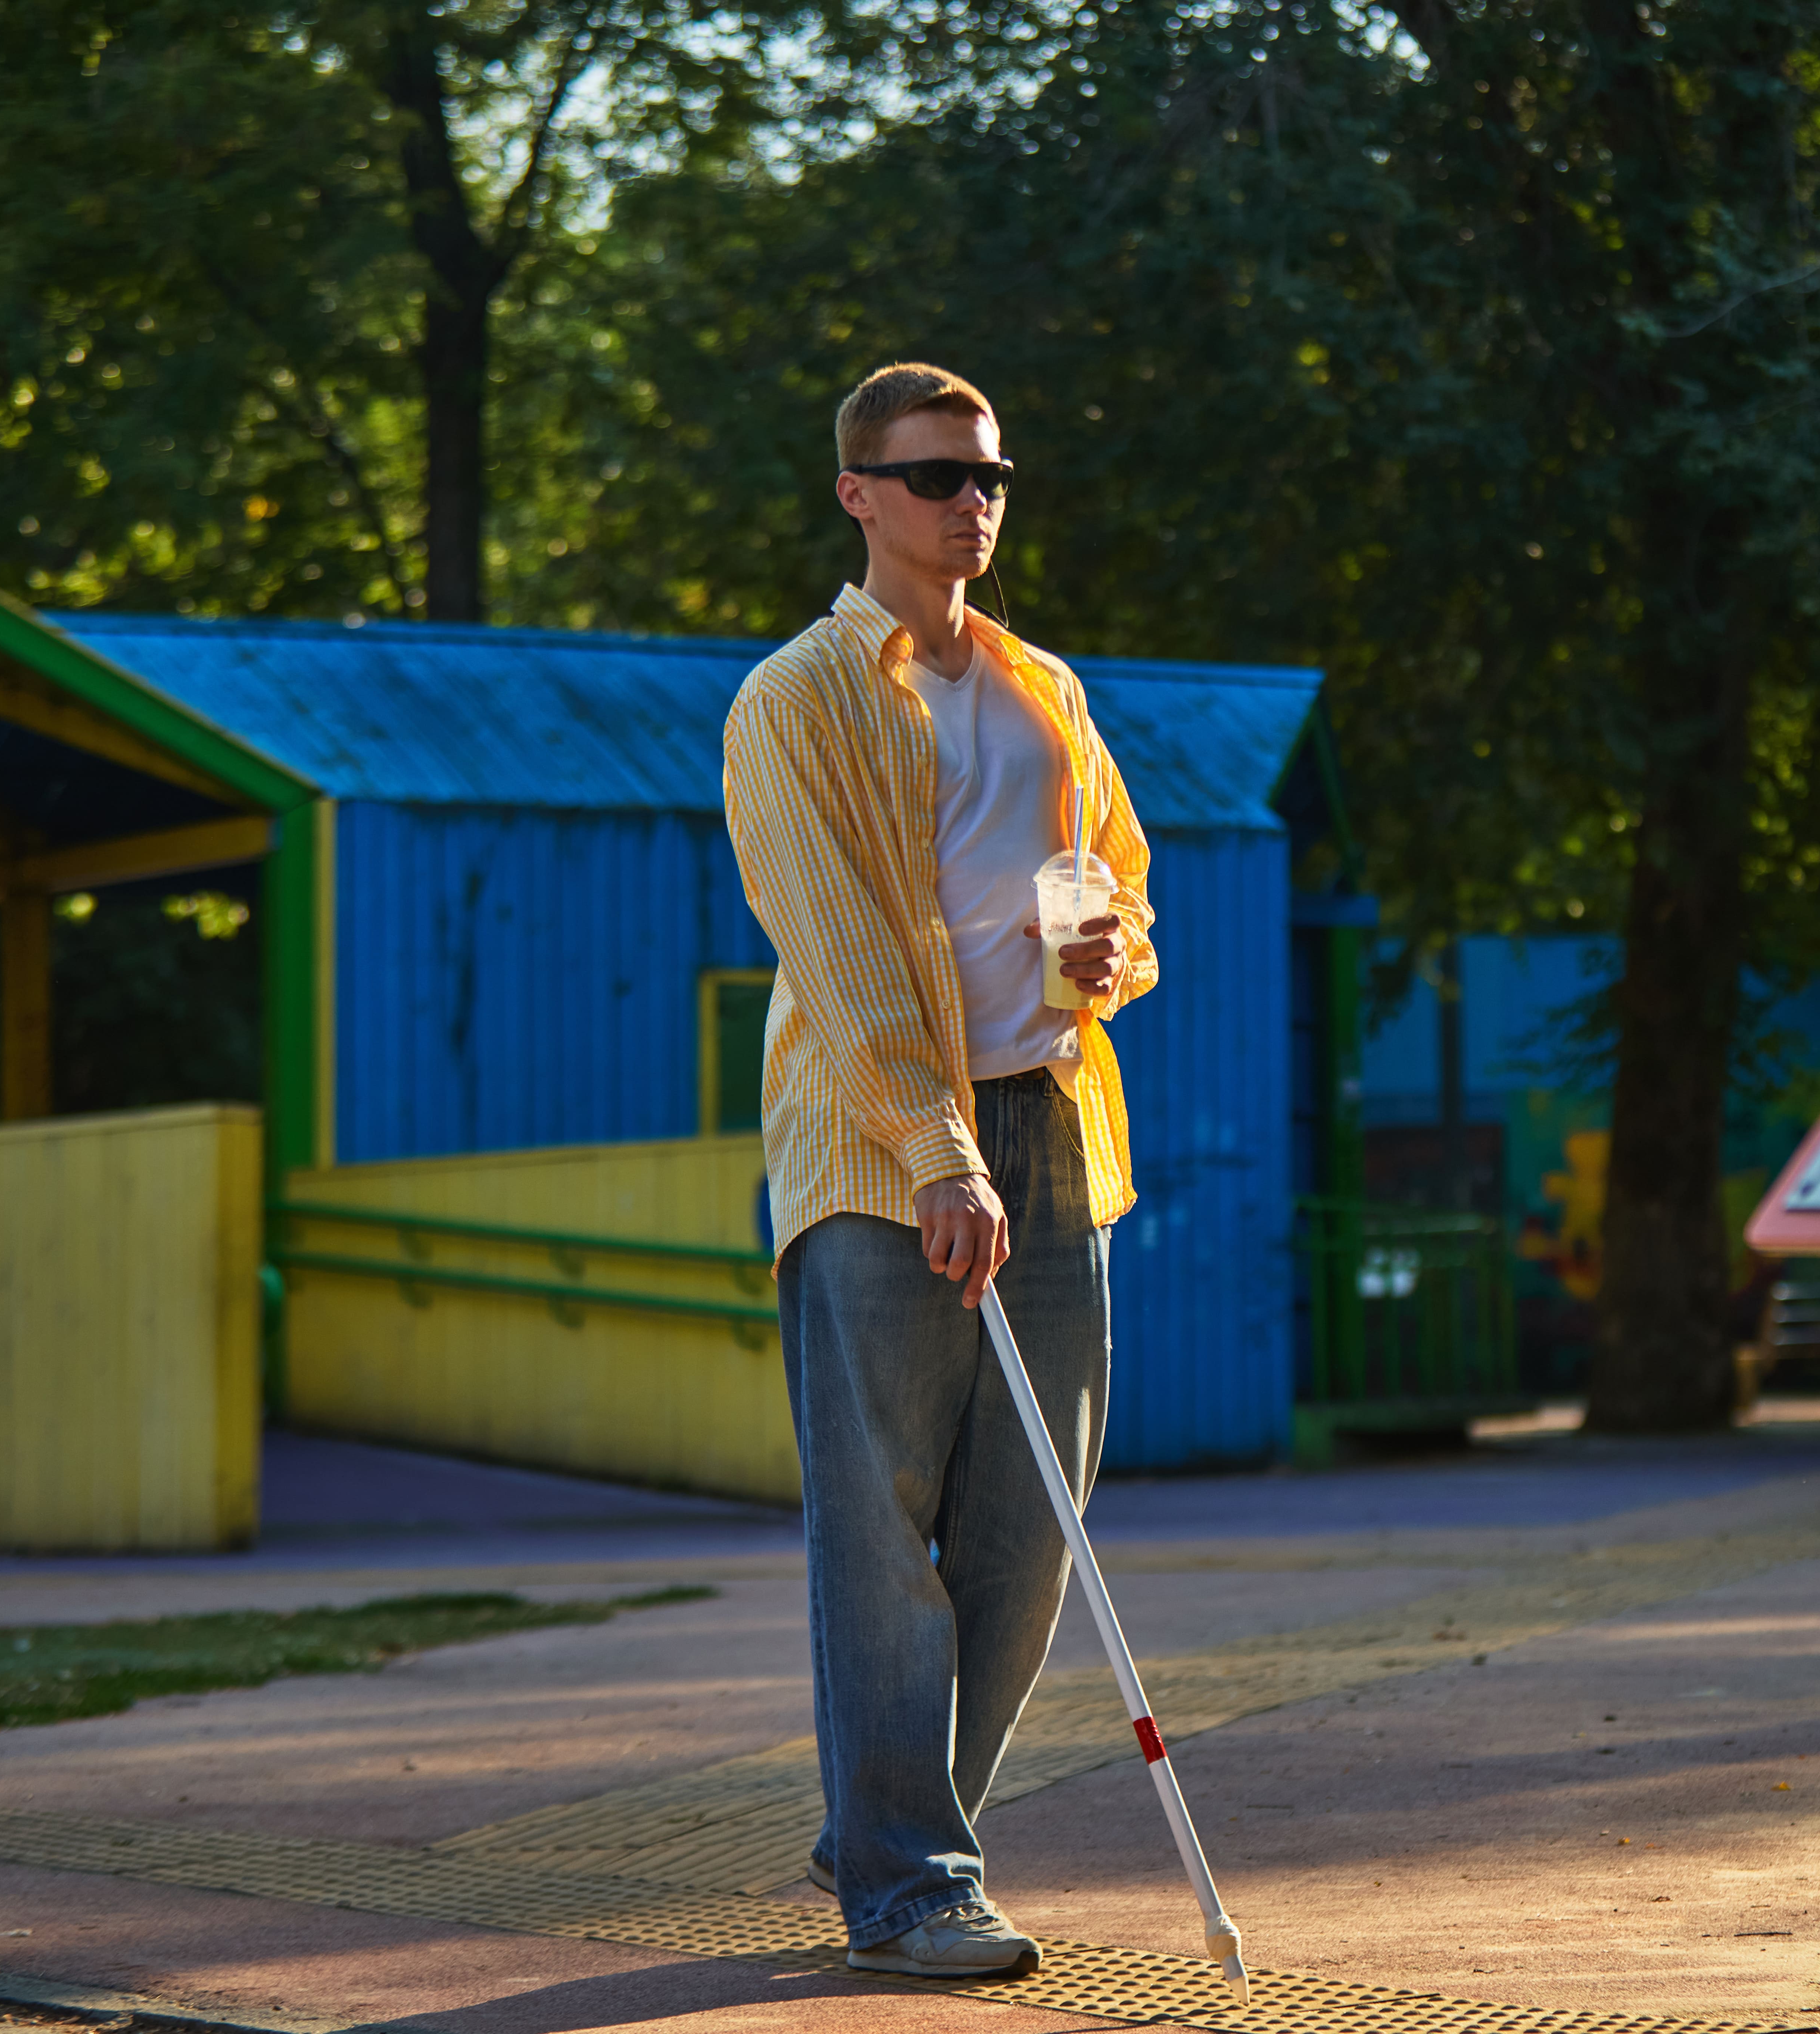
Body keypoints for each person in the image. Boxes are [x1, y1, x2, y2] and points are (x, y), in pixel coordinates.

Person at [722, 362, 1157, 1979]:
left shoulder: (1045, 686)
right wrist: (934, 1155)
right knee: (880, 1520)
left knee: (1031, 1521)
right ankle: (908, 1884)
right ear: (857, 495)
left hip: (1048, 1119)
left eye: (989, 476)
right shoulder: (797, 699)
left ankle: (900, 1826)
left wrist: (1109, 953)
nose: (968, 502)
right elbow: (837, 957)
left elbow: (1119, 879)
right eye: (932, 478)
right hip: (879, 1147)